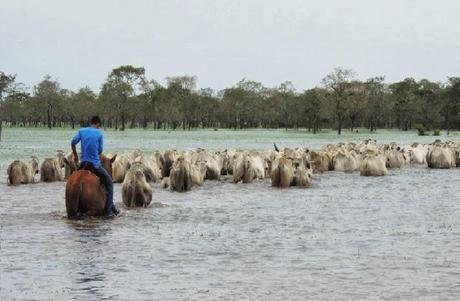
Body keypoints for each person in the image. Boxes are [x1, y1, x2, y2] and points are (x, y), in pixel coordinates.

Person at [71, 115, 119, 217]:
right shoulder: (99, 133)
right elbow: (100, 150)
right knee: (109, 183)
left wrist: (75, 155)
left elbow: (73, 142)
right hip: (94, 165)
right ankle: (109, 211)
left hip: (83, 164)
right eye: (99, 126)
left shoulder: (81, 131)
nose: (99, 127)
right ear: (97, 124)